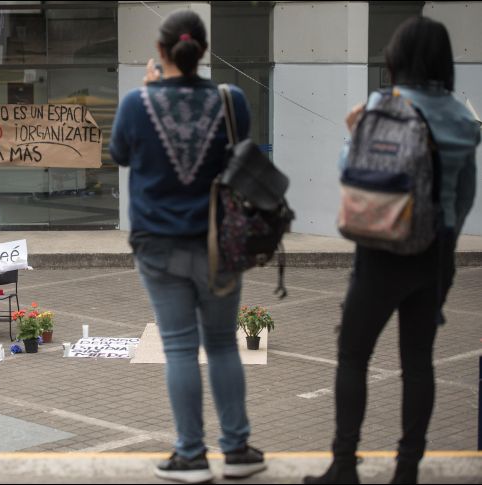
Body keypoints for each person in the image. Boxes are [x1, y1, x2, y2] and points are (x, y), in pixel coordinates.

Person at [304, 16, 480, 485]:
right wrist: (441, 236)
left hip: (380, 252)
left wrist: (353, 131)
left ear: (396, 60)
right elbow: (465, 197)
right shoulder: (465, 119)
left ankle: (343, 466)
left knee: (353, 355)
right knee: (418, 362)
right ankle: (406, 471)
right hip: (433, 254)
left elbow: (351, 171)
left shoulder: (384, 104)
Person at [110, 10, 267, 484]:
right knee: (221, 344)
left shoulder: (137, 103)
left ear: (161, 52)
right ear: (202, 52)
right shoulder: (230, 98)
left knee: (180, 349)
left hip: (157, 244)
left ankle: (191, 456)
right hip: (220, 243)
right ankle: (238, 451)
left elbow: (119, 154)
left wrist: (147, 84)